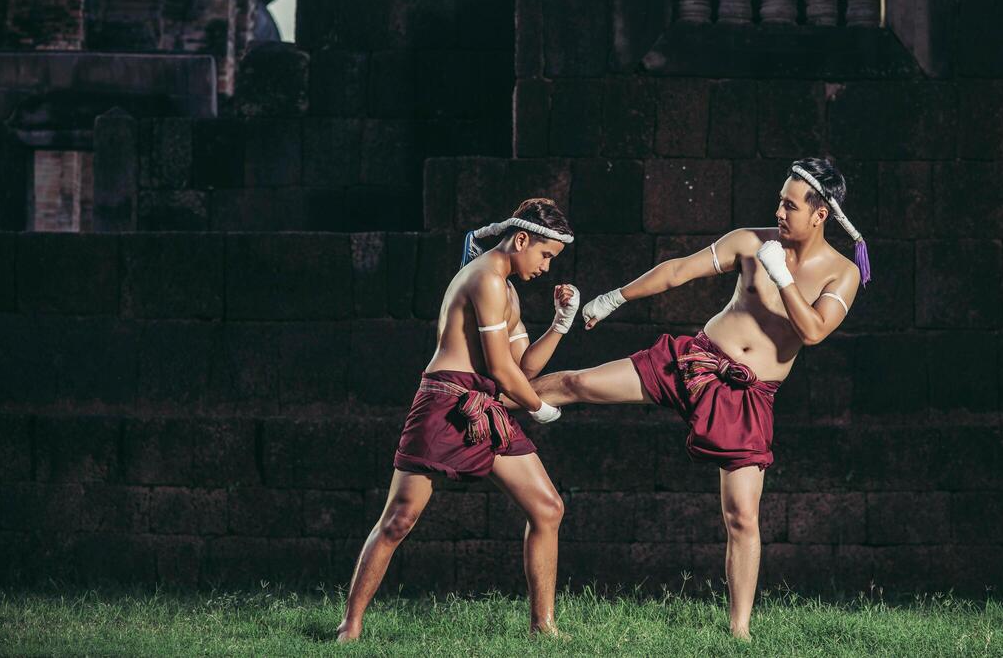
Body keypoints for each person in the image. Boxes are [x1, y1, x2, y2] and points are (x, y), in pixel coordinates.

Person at [530, 158, 868, 639]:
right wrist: (614, 299)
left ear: (820, 215)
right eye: (779, 200)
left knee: (742, 517)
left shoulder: (843, 273)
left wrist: (784, 279)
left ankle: (740, 633)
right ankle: (488, 396)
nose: (779, 211)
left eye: (790, 206)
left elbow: (812, 332)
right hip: (695, 362)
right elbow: (679, 272)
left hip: (749, 396)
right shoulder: (751, 241)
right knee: (579, 384)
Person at [335, 198, 579, 641]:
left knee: (547, 508)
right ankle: (349, 626)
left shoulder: (508, 290)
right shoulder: (485, 278)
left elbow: (522, 368)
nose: (547, 267)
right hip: (444, 403)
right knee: (399, 520)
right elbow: (503, 372)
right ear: (521, 239)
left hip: (484, 407)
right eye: (545, 255)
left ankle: (543, 628)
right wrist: (541, 409)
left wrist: (561, 324)